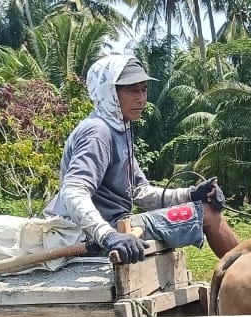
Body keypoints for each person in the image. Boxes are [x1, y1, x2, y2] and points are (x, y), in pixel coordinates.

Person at [44, 54, 240, 264]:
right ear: (109, 92)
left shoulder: (120, 128)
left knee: (204, 205)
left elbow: (139, 191)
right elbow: (73, 191)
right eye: (131, 90)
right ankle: (247, 280)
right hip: (90, 234)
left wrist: (191, 194)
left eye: (143, 90)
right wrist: (108, 236)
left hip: (115, 226)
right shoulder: (97, 132)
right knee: (208, 213)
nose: (141, 98)